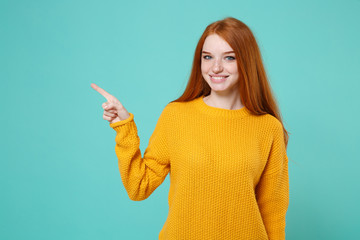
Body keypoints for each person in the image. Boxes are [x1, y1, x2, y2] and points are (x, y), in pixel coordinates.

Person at [91, 17, 289, 240]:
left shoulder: (267, 128)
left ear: (246, 61)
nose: (216, 67)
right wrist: (124, 128)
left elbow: (273, 211)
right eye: (208, 57)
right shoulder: (176, 115)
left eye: (229, 58)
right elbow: (139, 186)